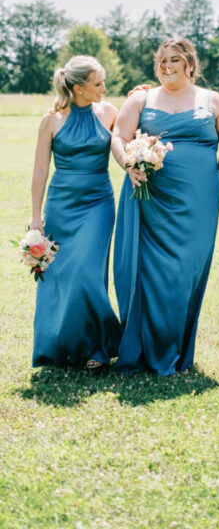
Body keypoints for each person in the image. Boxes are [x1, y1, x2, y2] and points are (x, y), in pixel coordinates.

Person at [112, 38, 219, 375]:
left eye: (175, 60)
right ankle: (147, 346)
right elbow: (119, 137)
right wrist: (127, 163)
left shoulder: (213, 101)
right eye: (163, 60)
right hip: (150, 197)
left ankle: (176, 347)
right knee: (150, 271)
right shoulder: (141, 98)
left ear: (190, 65)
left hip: (198, 202)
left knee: (185, 270)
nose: (167, 66)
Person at [30, 56, 120, 372]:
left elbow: (128, 134)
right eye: (98, 84)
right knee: (58, 275)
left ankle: (98, 347)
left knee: (87, 272)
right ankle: (60, 346)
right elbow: (41, 170)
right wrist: (36, 217)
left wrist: (141, 95)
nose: (104, 89)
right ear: (78, 87)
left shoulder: (109, 112)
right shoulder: (51, 120)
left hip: (99, 204)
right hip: (61, 205)